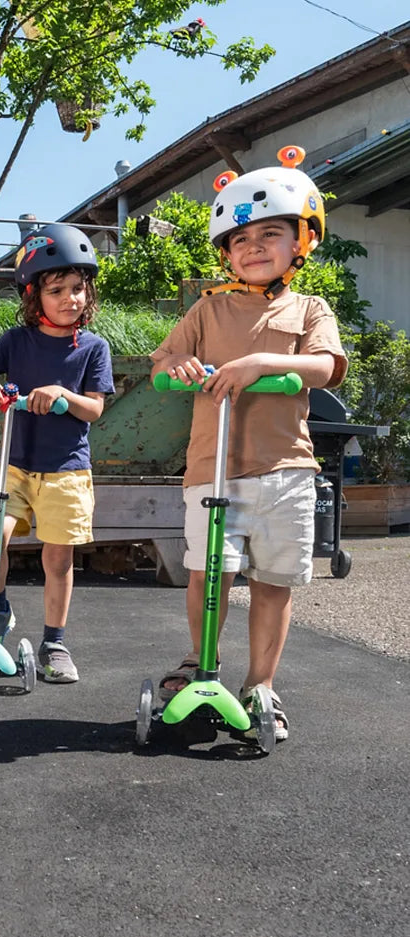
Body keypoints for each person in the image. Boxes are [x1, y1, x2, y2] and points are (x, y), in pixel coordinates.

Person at [150, 146, 348, 741]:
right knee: (207, 574)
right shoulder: (206, 311)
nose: (253, 246)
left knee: (274, 581)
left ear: (301, 243)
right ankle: (199, 663)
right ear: (225, 253)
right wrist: (179, 364)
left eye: (270, 234)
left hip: (285, 469)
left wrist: (261, 361)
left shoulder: (310, 309)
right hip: (213, 471)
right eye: (239, 239)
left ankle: (260, 681)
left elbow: (324, 367)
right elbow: (163, 361)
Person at [0, 223, 114, 683]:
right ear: (34, 296)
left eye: (78, 289)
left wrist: (59, 393)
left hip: (66, 471)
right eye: (58, 290)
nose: (71, 298)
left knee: (58, 559)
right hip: (17, 465)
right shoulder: (15, 341)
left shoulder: (93, 348)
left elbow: (95, 409)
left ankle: (55, 641)